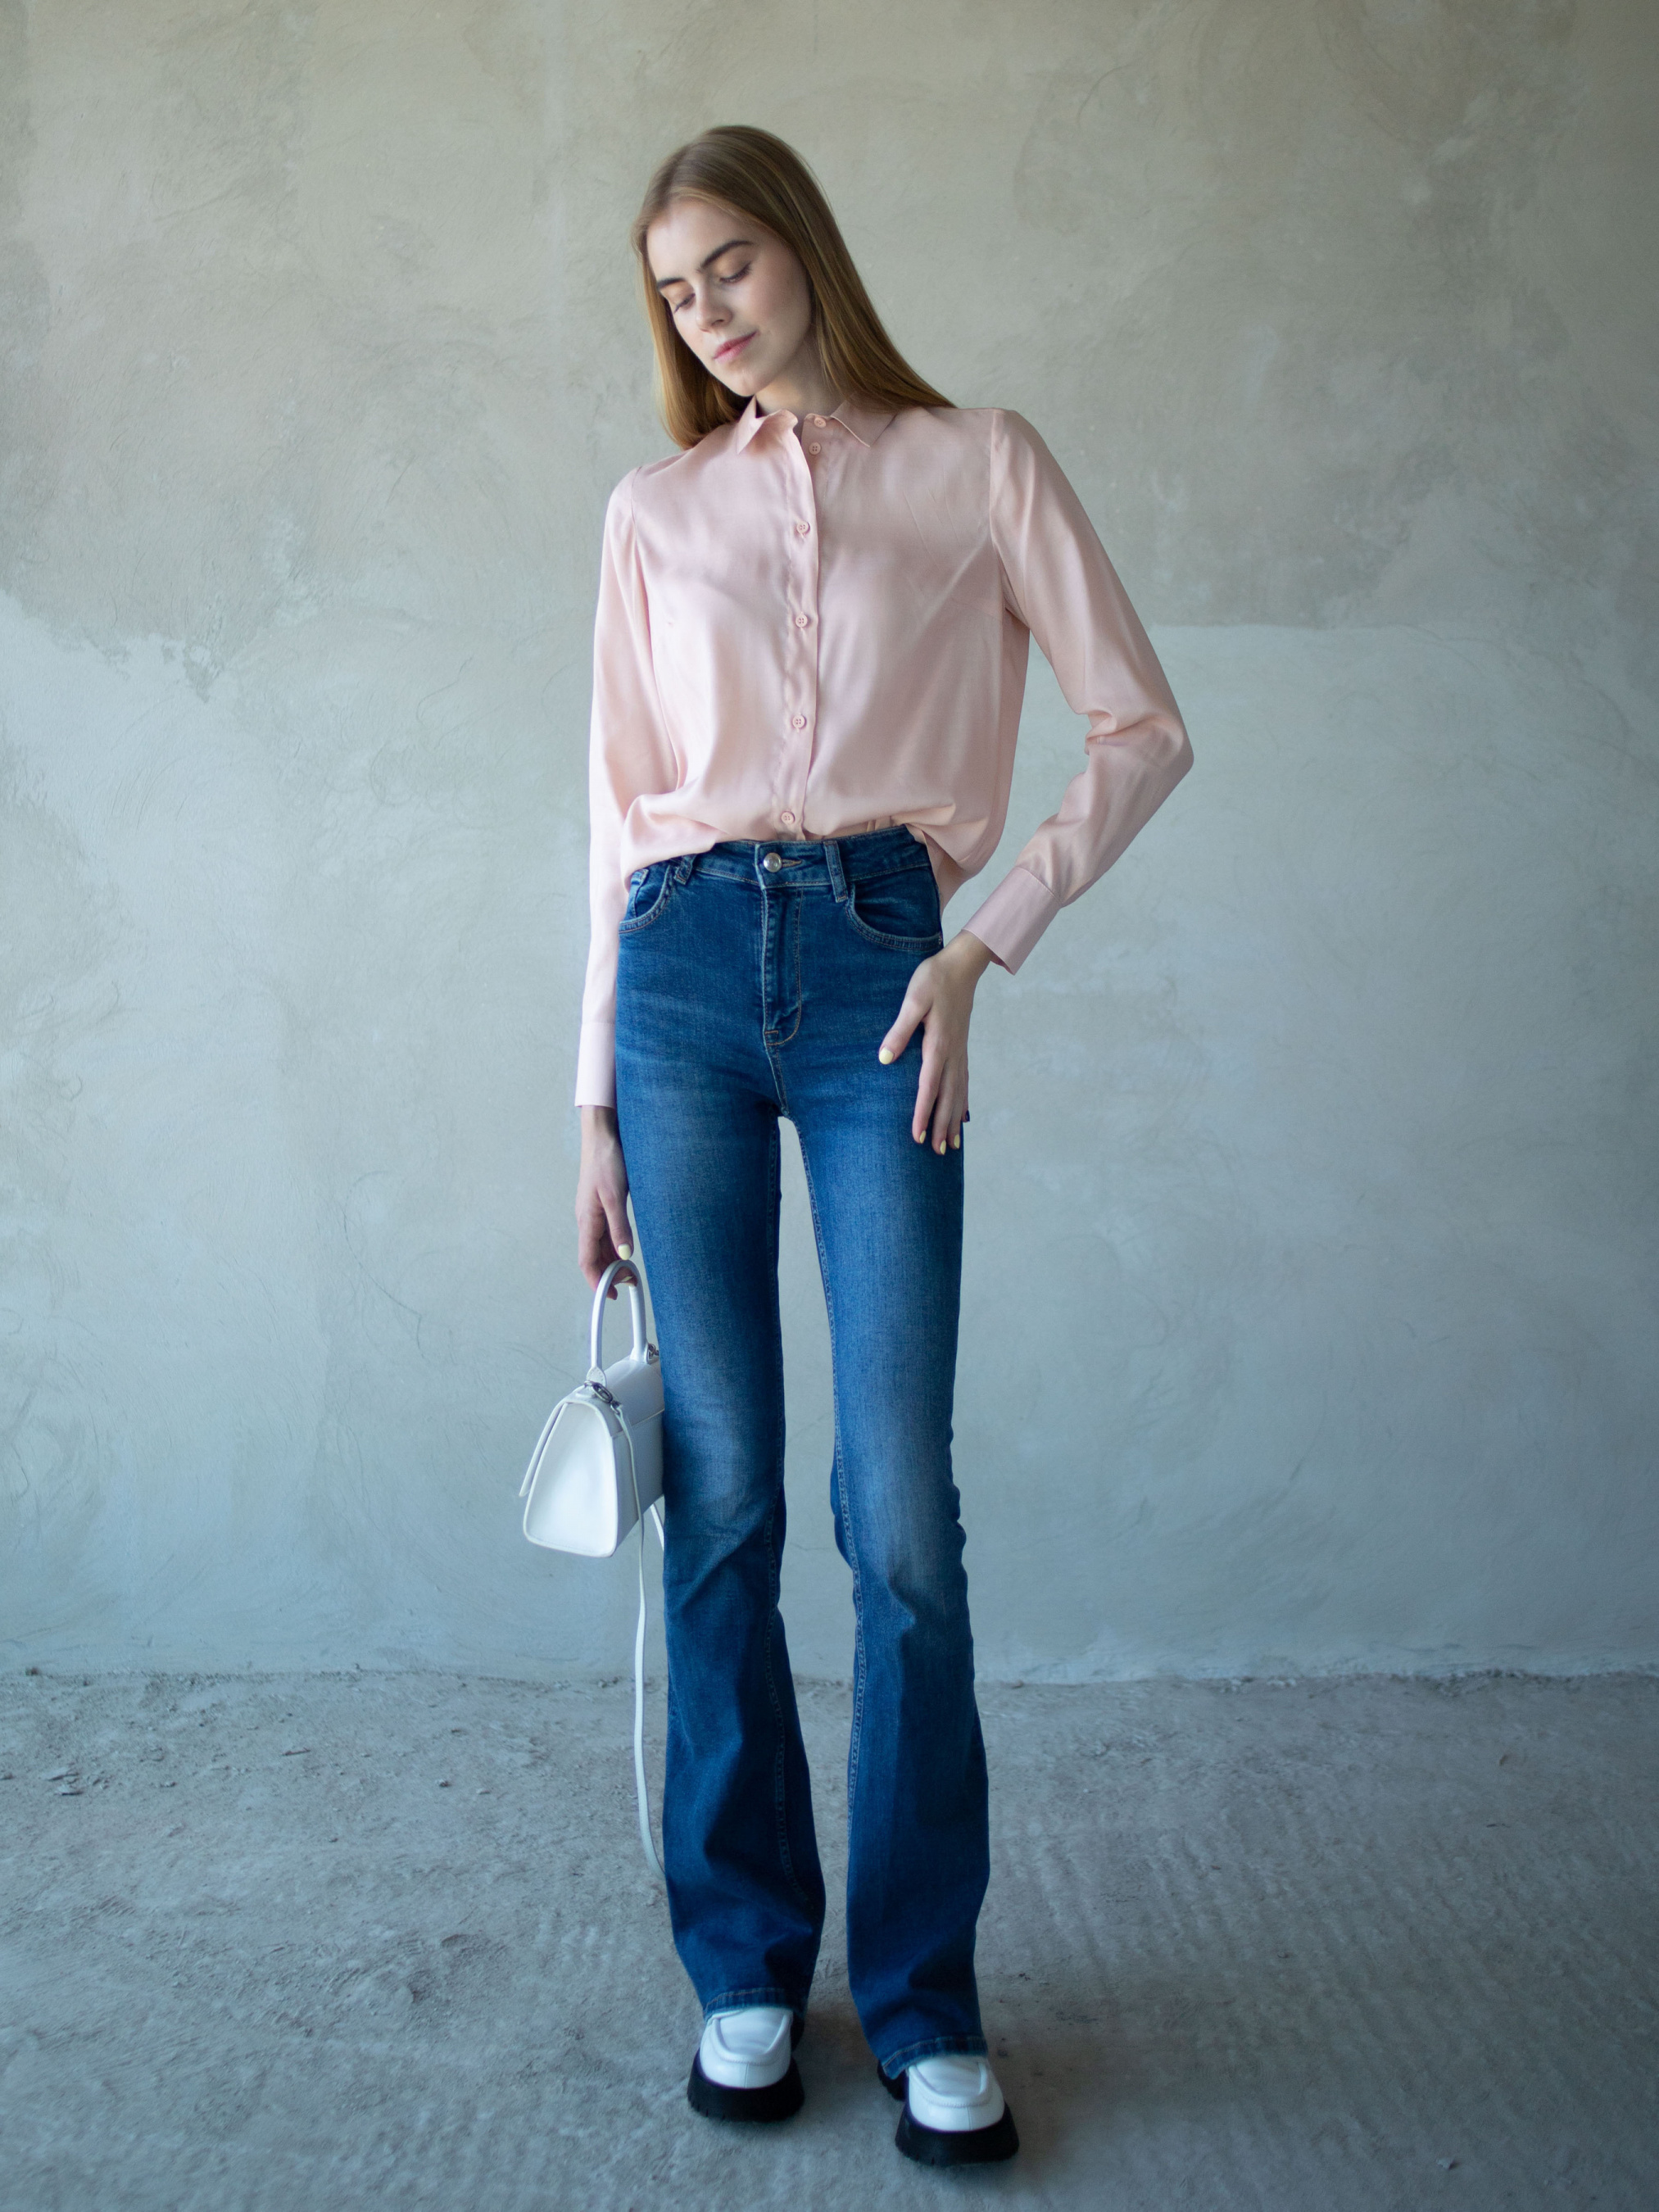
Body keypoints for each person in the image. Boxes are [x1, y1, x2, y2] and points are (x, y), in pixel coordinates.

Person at [572, 124, 1191, 2167]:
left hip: (876, 968)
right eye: (674, 293)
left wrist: (980, 944)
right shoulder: (652, 512)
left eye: (731, 267)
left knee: (897, 1514)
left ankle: (924, 1995)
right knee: (720, 1498)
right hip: (676, 978)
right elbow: (614, 812)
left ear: (805, 249)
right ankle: (748, 1964)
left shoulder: (979, 463)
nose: (707, 315)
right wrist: (589, 1100)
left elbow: (1139, 726)